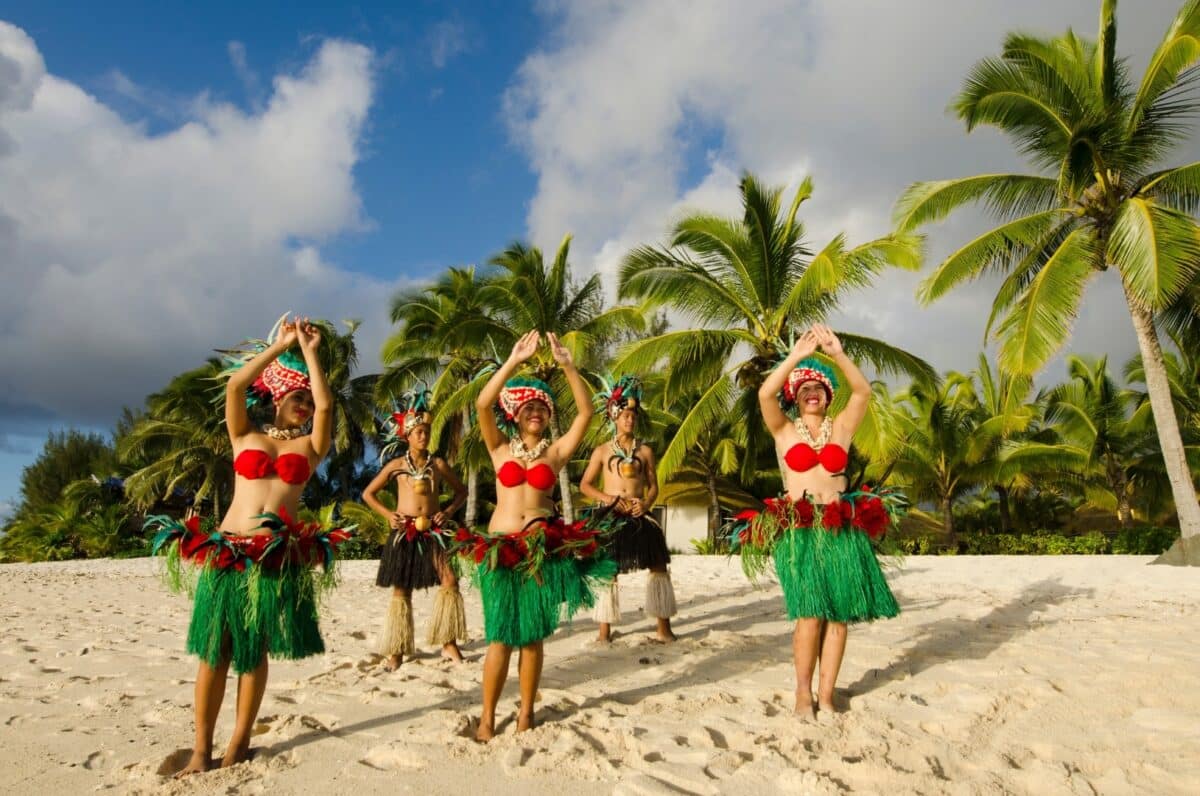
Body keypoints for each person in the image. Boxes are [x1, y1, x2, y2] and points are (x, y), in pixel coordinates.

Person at [148, 316, 350, 775]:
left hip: (273, 559)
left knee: (253, 652)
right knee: (215, 651)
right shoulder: (244, 436)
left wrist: (310, 352)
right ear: (277, 398)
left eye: (306, 399)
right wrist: (281, 346)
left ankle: (239, 742)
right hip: (229, 553)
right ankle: (200, 749)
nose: (305, 405)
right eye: (296, 398)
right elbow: (236, 386)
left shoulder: (310, 447)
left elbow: (326, 405)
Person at [741, 323, 899, 721]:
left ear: (828, 397)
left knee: (839, 616)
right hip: (800, 531)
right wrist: (796, 357)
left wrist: (837, 354)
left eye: (820, 388)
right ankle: (802, 693)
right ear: (796, 398)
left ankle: (826, 696)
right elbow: (764, 394)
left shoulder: (841, 428)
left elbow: (862, 392)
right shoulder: (784, 430)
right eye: (804, 389)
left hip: (840, 528)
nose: (812, 392)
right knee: (809, 614)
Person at [468, 330, 615, 741]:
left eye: (543, 408)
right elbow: (482, 404)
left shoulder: (556, 453)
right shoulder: (499, 448)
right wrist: (513, 361)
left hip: (538, 551)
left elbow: (585, 413)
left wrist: (568, 367)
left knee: (531, 637)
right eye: (529, 407)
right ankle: (486, 717)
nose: (536, 412)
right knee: (500, 637)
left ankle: (526, 713)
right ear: (515, 413)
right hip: (500, 549)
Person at [363, 388, 469, 669]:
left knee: (450, 581)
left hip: (434, 531)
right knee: (402, 589)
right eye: (418, 432)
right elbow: (368, 494)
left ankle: (448, 643)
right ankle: (397, 649)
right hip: (405, 531)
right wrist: (389, 515)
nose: (423, 436)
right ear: (407, 436)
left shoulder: (438, 464)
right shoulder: (396, 466)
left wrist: (447, 512)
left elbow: (462, 492)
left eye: (426, 432)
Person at [580, 375, 676, 643]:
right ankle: (604, 632)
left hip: (638, 512)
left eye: (633, 416)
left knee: (658, 564)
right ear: (614, 416)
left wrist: (645, 503)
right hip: (610, 513)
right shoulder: (601, 451)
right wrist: (608, 498)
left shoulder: (645, 451)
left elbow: (653, 487)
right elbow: (585, 485)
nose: (630, 420)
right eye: (625, 415)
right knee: (608, 570)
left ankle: (664, 629)